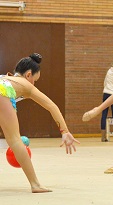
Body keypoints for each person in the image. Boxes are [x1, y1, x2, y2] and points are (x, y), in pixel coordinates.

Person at [0, 53, 80, 193]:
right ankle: (35, 184)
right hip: (2, 92)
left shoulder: (6, 77)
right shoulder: (26, 85)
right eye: (35, 80)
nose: (34, 84)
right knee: (15, 140)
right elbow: (52, 106)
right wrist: (65, 131)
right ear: (28, 75)